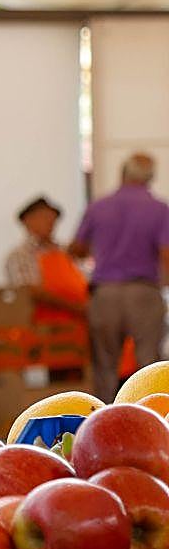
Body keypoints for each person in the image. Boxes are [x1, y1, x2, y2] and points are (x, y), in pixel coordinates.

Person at [70, 153, 169, 401]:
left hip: (105, 293)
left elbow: (77, 248)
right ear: (150, 178)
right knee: (149, 364)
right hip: (144, 291)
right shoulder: (159, 209)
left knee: (105, 365)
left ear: (122, 173)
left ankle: (102, 419)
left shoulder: (98, 207)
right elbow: (166, 253)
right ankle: (153, 417)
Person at [4, 195, 89, 321]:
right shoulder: (20, 255)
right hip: (46, 329)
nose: (50, 222)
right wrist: (75, 307)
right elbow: (30, 291)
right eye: (43, 217)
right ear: (27, 221)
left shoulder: (65, 251)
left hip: (79, 324)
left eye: (53, 218)